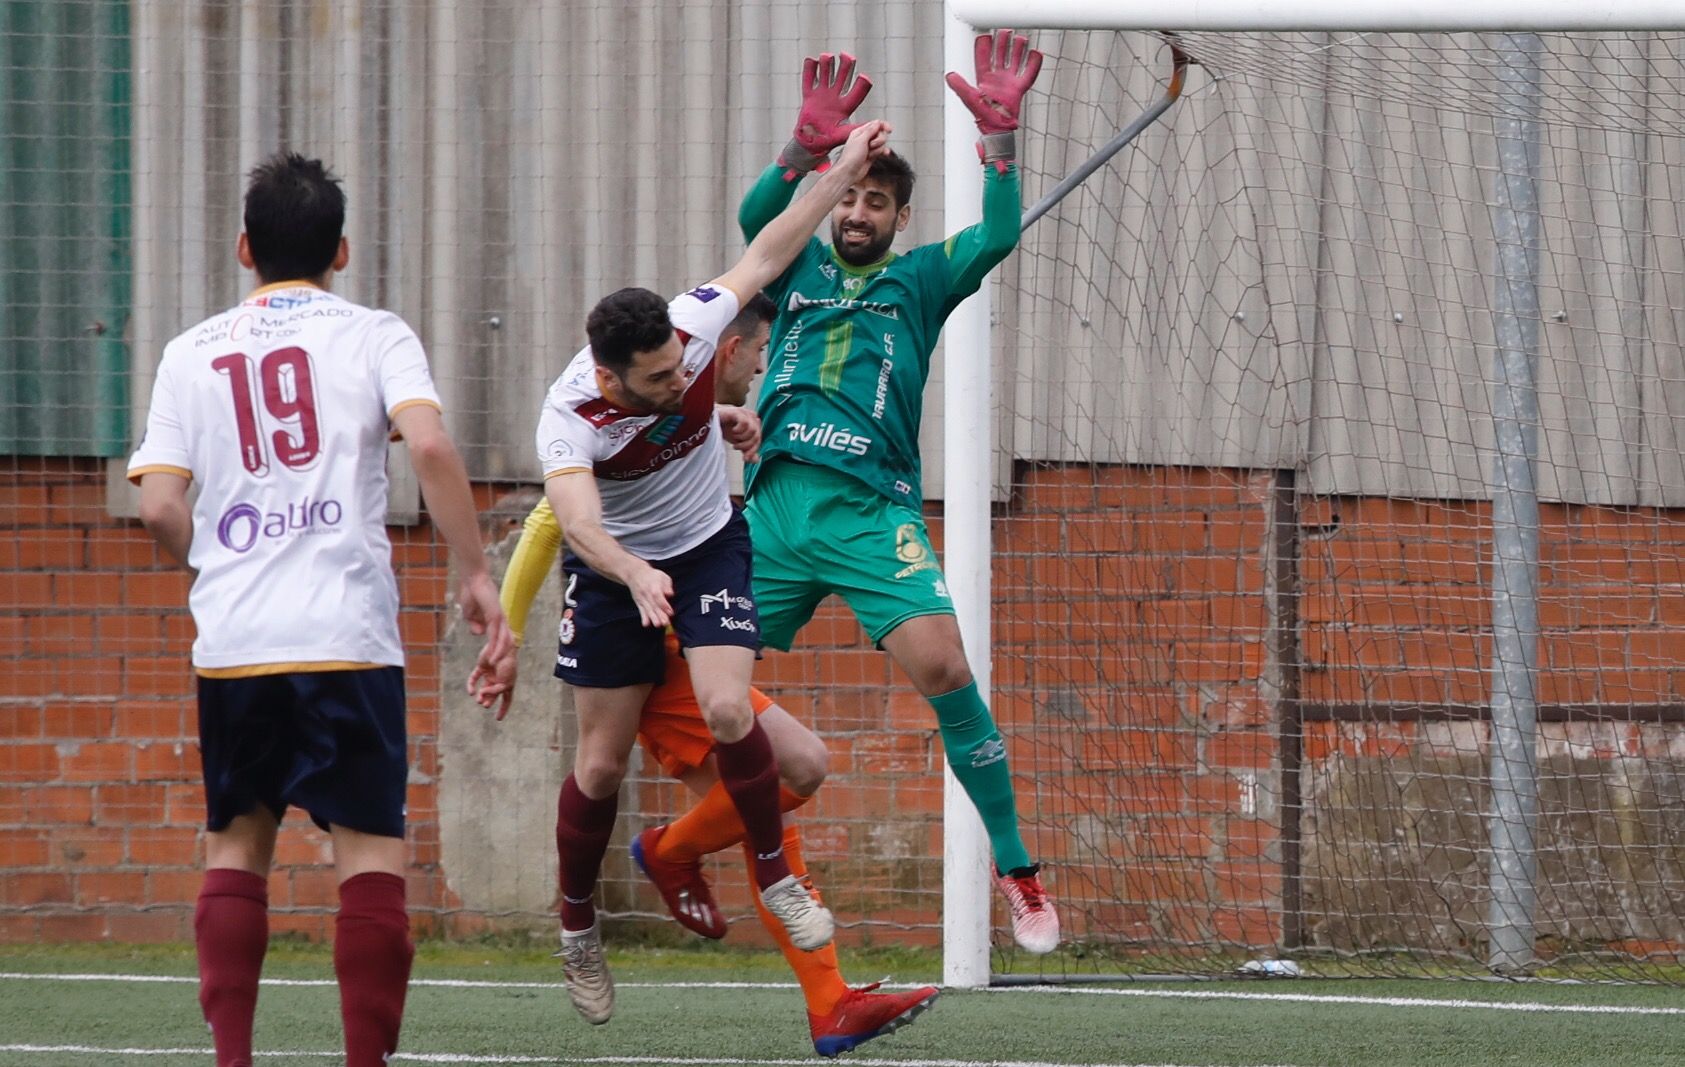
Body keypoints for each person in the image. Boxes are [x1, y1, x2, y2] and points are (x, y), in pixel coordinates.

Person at [472, 288, 940, 1057]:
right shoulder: (616, 405)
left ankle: (687, 862)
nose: (758, 369)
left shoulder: (685, 412)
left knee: (790, 770)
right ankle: (824, 997)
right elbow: (552, 521)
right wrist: (508, 629)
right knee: (742, 777)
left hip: (683, 626)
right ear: (721, 351)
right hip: (636, 631)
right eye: (756, 355)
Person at [128, 151, 513, 1067]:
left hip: (236, 639)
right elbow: (427, 446)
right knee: (372, 858)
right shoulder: (376, 334)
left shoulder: (190, 351)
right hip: (346, 632)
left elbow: (156, 506)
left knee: (235, 847)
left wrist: (214, 560)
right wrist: (473, 572)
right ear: (340, 250)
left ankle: (232, 1060)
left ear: (242, 248)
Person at [531, 120, 894, 1025]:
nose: (674, 380)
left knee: (735, 710)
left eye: (676, 365)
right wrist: (631, 571)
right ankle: (578, 923)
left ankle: (773, 877)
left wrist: (838, 168)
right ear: (608, 375)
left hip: (708, 545)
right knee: (603, 766)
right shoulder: (567, 418)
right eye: (652, 379)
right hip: (621, 576)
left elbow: (768, 251)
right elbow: (576, 525)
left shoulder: (690, 329)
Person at [734, 32, 1060, 954]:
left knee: (947, 670)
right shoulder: (794, 260)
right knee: (693, 679)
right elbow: (757, 211)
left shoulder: (919, 280)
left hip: (873, 509)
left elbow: (998, 232)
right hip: (777, 507)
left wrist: (998, 142)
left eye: (878, 201)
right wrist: (808, 155)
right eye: (853, 196)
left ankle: (1017, 868)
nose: (859, 213)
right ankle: (691, 854)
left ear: (900, 217)